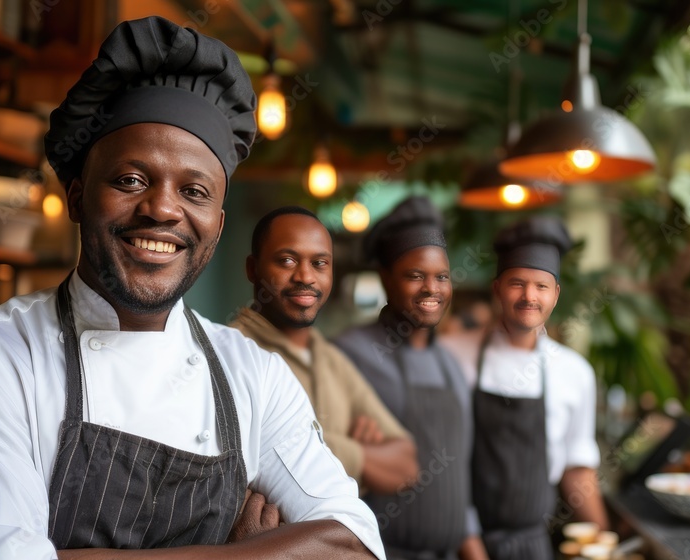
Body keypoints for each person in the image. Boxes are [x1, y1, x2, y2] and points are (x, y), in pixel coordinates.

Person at [0, 16, 384, 560]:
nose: (162, 208)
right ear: (78, 197)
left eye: (195, 190)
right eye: (130, 180)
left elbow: (357, 545)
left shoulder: (255, 377)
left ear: (218, 226)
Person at [335, 196, 488, 560]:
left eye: (442, 277)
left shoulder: (450, 364)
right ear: (386, 279)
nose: (431, 289)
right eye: (415, 276)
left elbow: (455, 474)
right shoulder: (348, 354)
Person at [230, 206, 419, 494]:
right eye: (287, 260)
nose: (305, 276)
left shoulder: (329, 356)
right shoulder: (230, 353)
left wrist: (310, 445)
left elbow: (407, 469)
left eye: (319, 263)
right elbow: (247, 466)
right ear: (252, 269)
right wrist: (359, 452)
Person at [471, 216, 607, 560]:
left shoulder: (574, 372)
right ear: (497, 288)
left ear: (556, 294)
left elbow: (577, 470)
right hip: (464, 539)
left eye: (541, 286)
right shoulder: (457, 358)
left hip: (532, 546)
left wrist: (605, 542)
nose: (529, 296)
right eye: (517, 283)